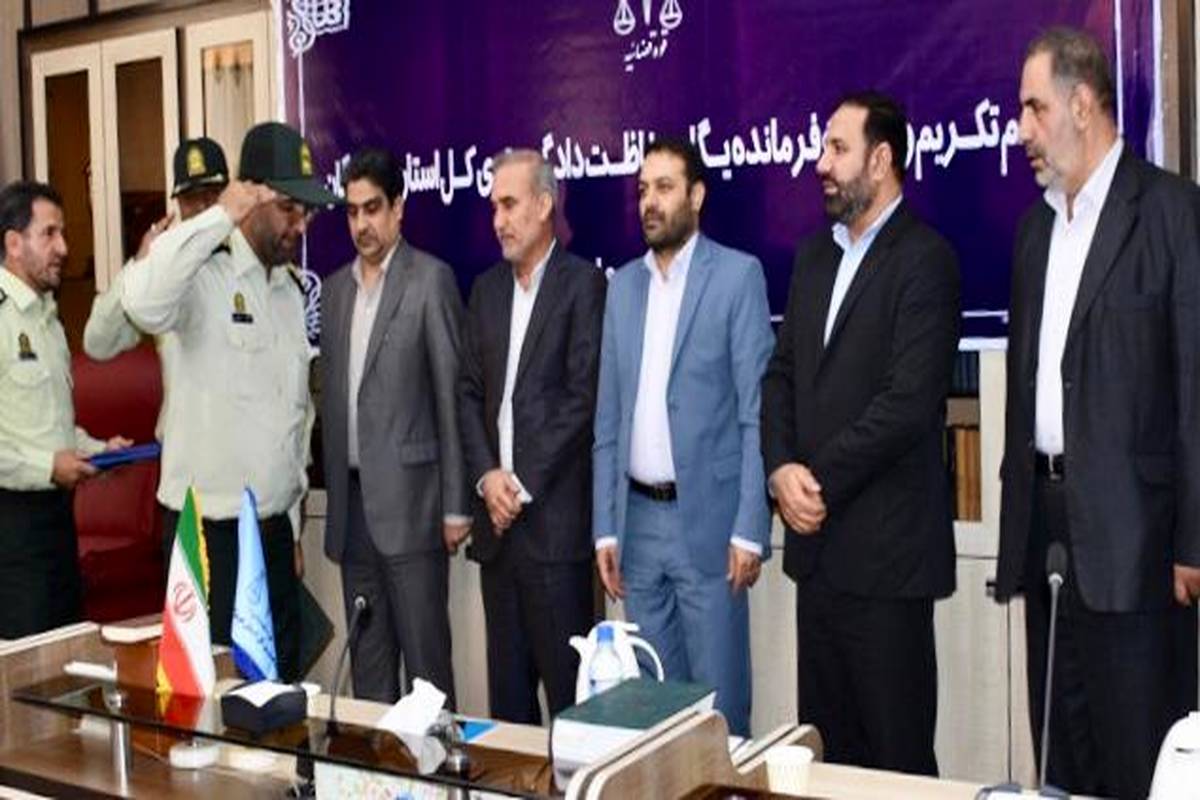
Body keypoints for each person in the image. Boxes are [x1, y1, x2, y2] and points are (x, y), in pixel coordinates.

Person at [995, 27, 1200, 799]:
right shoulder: (1034, 230)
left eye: (1035, 109)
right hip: (1047, 530)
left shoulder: (1170, 212)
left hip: (1138, 542)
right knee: (1061, 758)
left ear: (1083, 105)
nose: (1022, 130)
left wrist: (1194, 541)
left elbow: (1195, 385)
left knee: (1136, 760)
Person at [761, 91, 960, 775]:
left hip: (887, 562)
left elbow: (907, 404)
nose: (821, 163)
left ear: (881, 160)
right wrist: (780, 468)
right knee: (829, 763)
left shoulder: (926, 260)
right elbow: (780, 376)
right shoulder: (814, 257)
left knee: (895, 762)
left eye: (838, 149)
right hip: (818, 559)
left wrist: (814, 481)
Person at [121, 122, 338, 681]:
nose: (300, 224)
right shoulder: (201, 275)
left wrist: (291, 526)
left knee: (278, 693)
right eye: (288, 208)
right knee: (211, 698)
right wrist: (220, 214)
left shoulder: (290, 290)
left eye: (306, 212)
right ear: (250, 198)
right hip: (208, 537)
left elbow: (293, 419)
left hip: (271, 534)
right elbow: (141, 302)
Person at [592, 138, 773, 737]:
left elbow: (756, 414)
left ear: (696, 195)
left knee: (720, 712)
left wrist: (749, 527)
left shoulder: (738, 277)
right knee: (653, 714)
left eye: (665, 187)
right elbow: (608, 419)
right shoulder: (622, 287)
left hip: (711, 526)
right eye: (643, 189)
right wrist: (606, 528)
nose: (650, 201)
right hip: (638, 527)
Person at [459, 149, 605, 722]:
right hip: (497, 537)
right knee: (508, 710)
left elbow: (582, 399)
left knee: (573, 712)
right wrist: (487, 478)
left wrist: (518, 485)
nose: (498, 220)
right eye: (494, 208)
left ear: (544, 205)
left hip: (554, 534)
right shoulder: (485, 291)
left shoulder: (583, 286)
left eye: (509, 204)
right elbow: (468, 392)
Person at [319, 147, 468, 705]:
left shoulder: (430, 281)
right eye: (352, 211)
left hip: (415, 509)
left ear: (398, 208)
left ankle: (435, 766)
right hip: (352, 514)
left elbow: (451, 398)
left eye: (373, 208)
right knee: (370, 676)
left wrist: (456, 506)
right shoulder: (334, 292)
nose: (362, 223)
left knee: (427, 677)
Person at [0, 180, 128, 638]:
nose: (64, 248)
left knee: (66, 659)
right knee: (23, 671)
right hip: (11, 531)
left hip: (57, 526)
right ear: (14, 243)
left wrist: (97, 451)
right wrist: (47, 467)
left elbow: (51, 426)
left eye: (63, 233)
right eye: (49, 234)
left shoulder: (48, 321)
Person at [83, 136, 229, 363]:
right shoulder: (165, 266)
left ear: (228, 195)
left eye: (211, 195)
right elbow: (98, 344)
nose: (202, 207)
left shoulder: (252, 254)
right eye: (191, 198)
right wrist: (140, 264)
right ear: (178, 203)